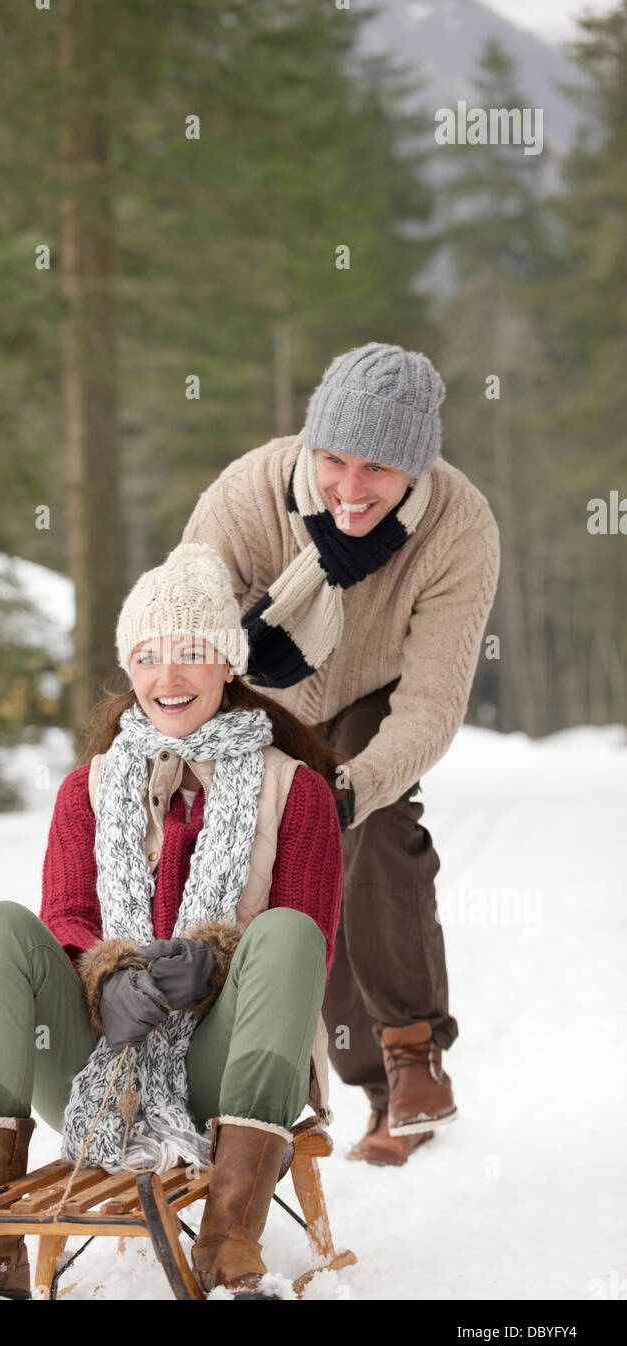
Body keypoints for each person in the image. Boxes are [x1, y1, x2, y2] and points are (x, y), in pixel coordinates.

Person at [0, 541, 346, 1301]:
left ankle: (230, 1239)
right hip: (100, 1074)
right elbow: (66, 918)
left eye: (193, 652)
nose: (169, 677)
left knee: (289, 933)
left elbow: (305, 949)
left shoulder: (296, 794)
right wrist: (104, 976)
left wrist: (216, 964)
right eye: (149, 655)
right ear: (129, 667)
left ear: (228, 664)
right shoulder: (86, 791)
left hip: (234, 1068)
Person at [181, 342, 500, 1166]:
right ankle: (284, 1082)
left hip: (378, 698)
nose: (352, 491)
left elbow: (431, 700)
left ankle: (408, 1054)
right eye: (335, 461)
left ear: (417, 469)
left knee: (375, 832)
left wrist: (353, 789)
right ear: (309, 445)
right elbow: (183, 611)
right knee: (286, 867)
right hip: (265, 692)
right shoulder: (253, 492)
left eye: (380, 471)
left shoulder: (458, 527)